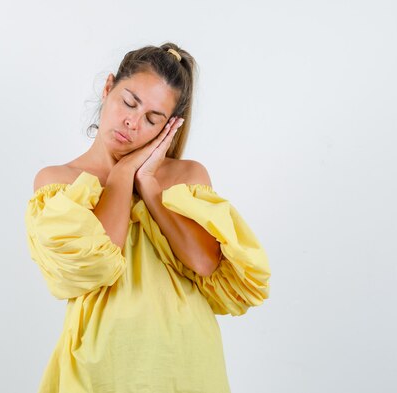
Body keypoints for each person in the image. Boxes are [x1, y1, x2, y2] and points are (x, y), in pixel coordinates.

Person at [24, 42, 271, 393]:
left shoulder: (187, 176)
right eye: (129, 102)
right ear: (108, 88)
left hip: (186, 364)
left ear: (167, 127)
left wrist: (150, 187)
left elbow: (204, 262)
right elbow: (98, 261)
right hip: (100, 367)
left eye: (152, 119)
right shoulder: (58, 183)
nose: (132, 122)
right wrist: (124, 172)